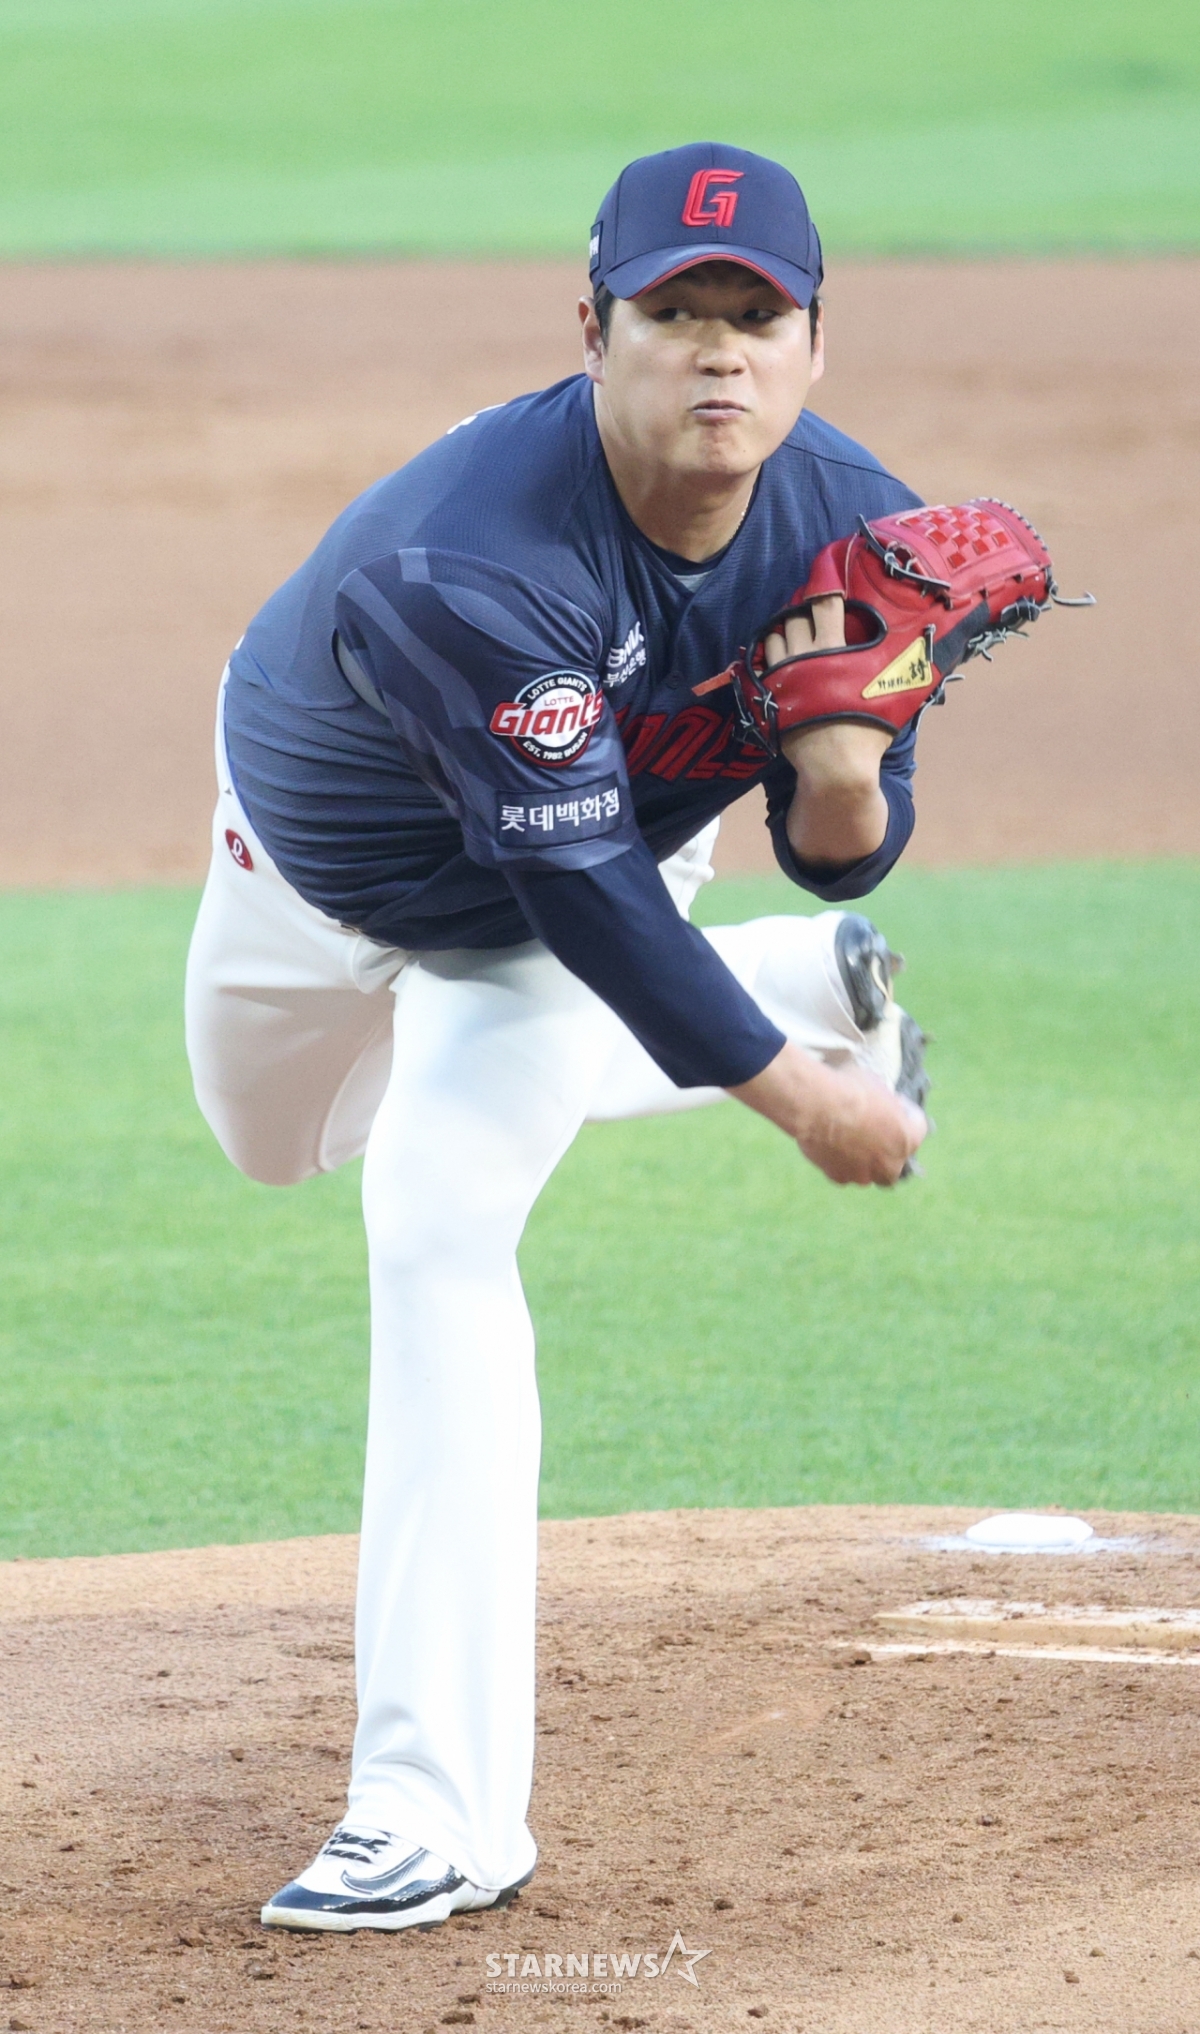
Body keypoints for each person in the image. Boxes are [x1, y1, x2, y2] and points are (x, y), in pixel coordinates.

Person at [184, 141, 929, 1934]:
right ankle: (786, 993)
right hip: (309, 877)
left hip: (541, 927)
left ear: (816, 342)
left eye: (758, 314)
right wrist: (803, 1099)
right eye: (676, 310)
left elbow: (830, 831)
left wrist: (846, 780)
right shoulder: (474, 559)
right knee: (279, 1142)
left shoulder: (858, 532)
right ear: (593, 330)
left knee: (436, 1223)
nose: (720, 349)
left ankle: (432, 1810)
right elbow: (594, 901)